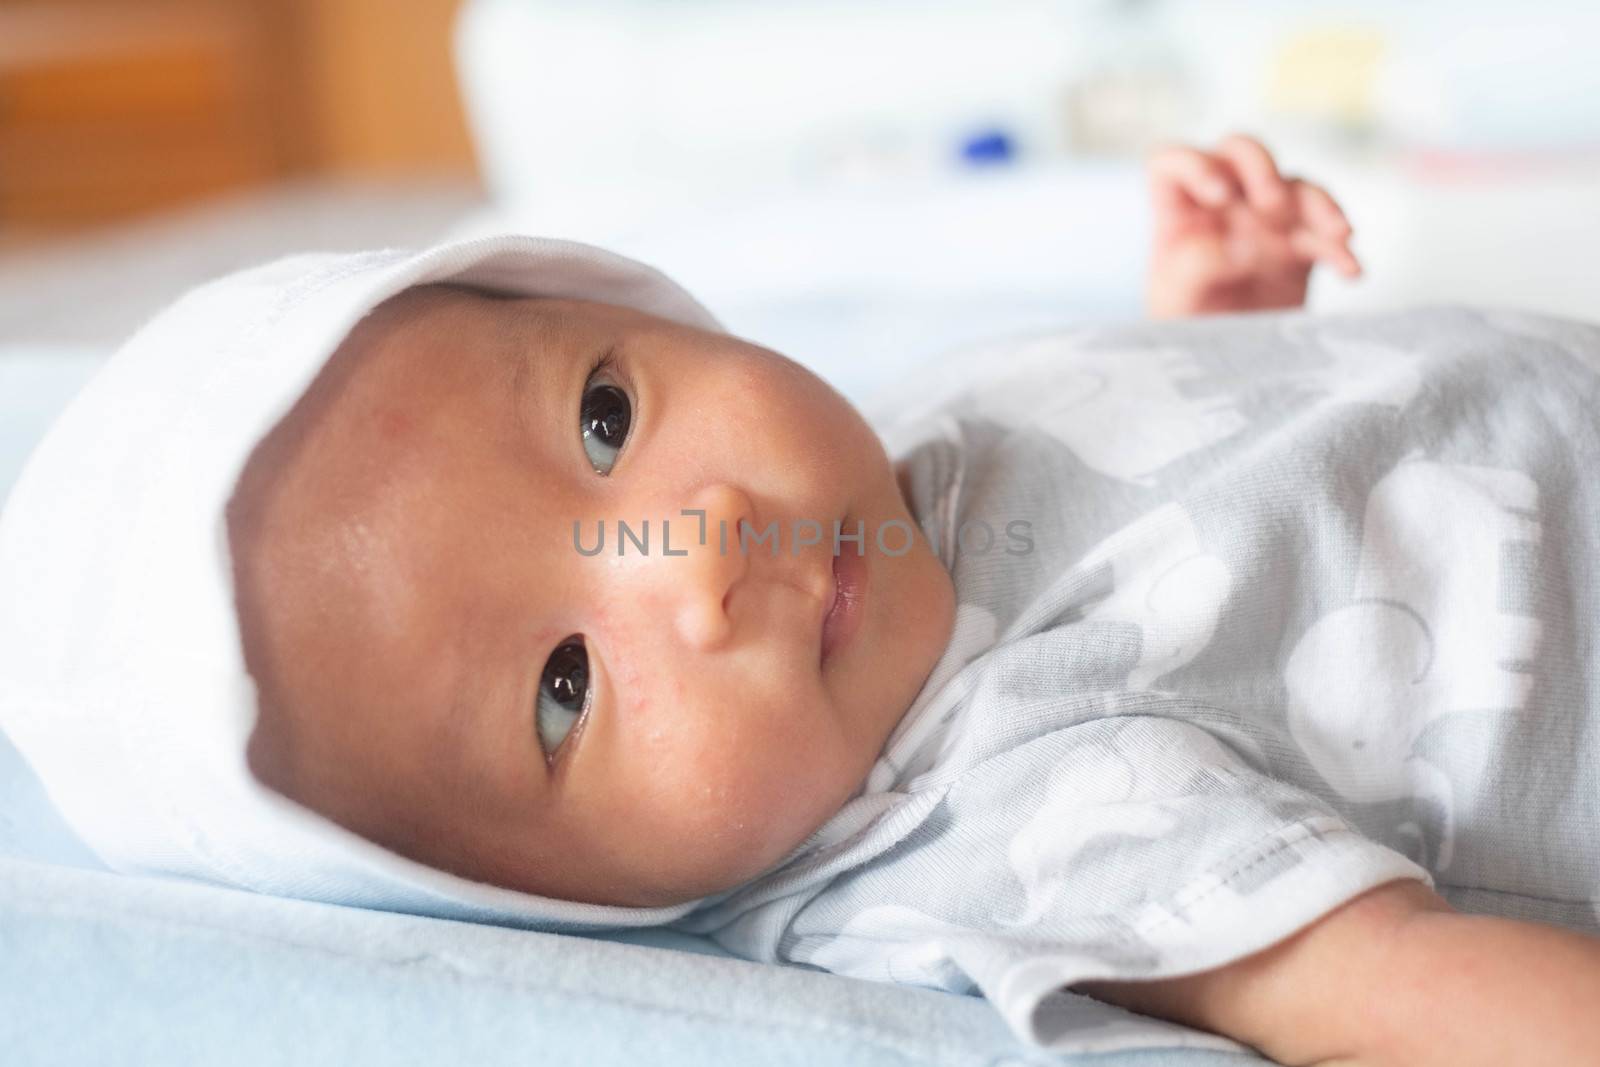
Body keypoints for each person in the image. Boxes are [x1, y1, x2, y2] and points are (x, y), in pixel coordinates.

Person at [4, 135, 1600, 1064]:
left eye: (604, 424)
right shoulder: (1014, 819)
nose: (694, 553)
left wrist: (1211, 332)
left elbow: (1160, 519)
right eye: (564, 686)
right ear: (557, 900)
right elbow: (1387, 995)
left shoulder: (885, 449)